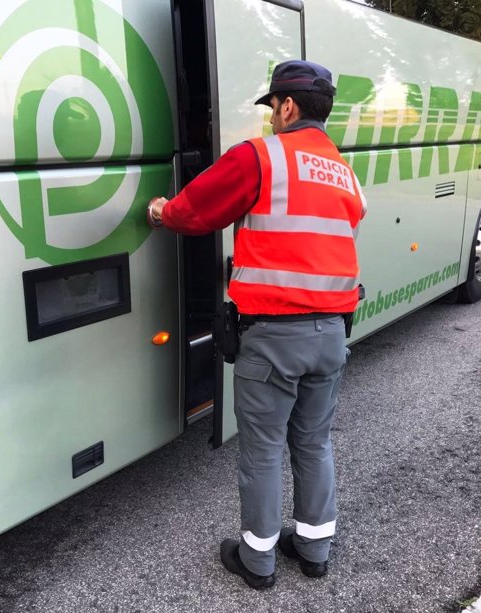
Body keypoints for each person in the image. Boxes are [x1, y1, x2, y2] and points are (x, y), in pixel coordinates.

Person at [147, 60, 366, 589]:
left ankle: (258, 559)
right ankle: (314, 549)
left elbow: (197, 210)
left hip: (273, 337)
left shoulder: (261, 157)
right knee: (314, 442)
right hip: (332, 335)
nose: (270, 117)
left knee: (263, 448)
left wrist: (161, 212)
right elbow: (350, 220)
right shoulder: (342, 168)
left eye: (272, 107)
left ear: (288, 106)